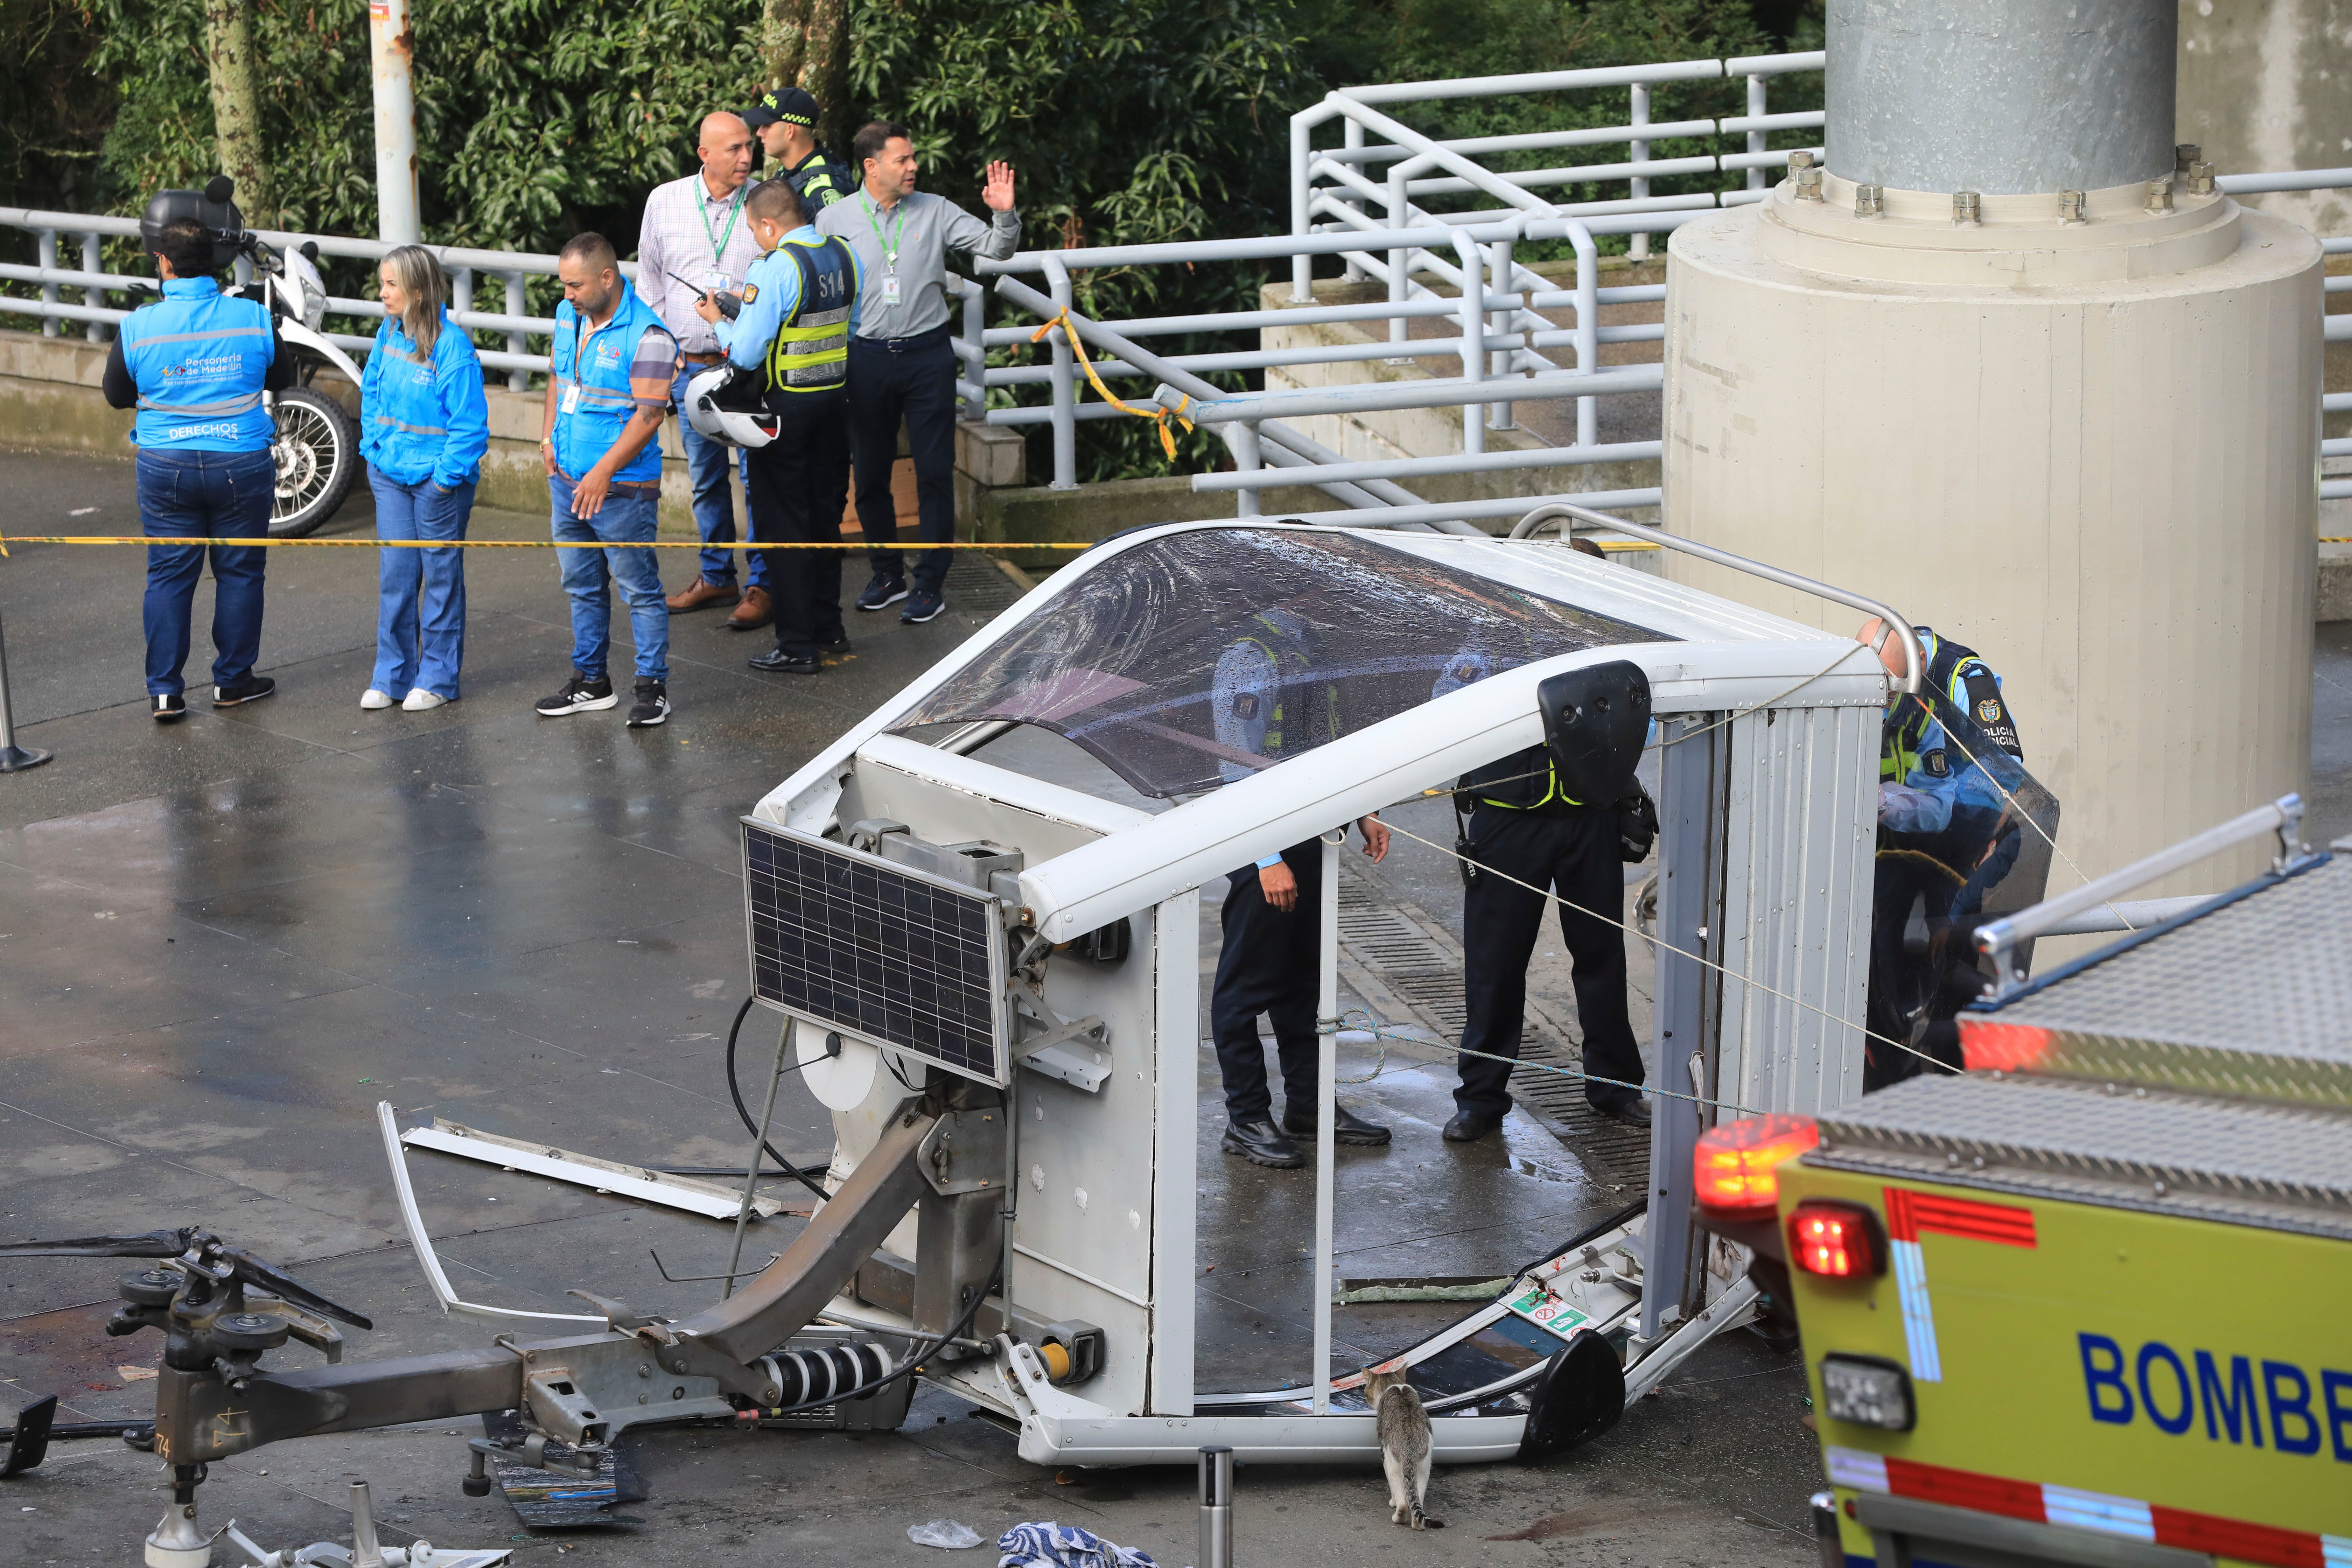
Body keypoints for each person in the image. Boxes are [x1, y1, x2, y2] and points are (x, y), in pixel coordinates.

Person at [1206, 608, 1394, 1168]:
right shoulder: (1247, 657)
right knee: (1242, 991)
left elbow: (1327, 744)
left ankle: (1309, 1107)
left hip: (1314, 839)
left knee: (1302, 985)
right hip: (1264, 849)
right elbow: (1235, 763)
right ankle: (1246, 1119)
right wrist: (1268, 857)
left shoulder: (1309, 644)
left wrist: (1363, 810)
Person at [817, 121, 1020, 626]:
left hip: (928, 355)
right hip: (864, 356)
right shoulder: (832, 220)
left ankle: (931, 582)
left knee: (933, 471)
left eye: (913, 159)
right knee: (869, 473)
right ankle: (886, 573)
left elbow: (996, 252)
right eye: (902, 160)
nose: (913, 167)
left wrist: (1005, 215)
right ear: (871, 166)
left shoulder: (936, 210)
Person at [102, 214, 294, 722]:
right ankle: (233, 682)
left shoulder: (139, 325)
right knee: (240, 573)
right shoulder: (252, 317)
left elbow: (117, 395)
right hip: (241, 463)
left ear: (163, 263)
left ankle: (165, 692)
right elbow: (285, 375)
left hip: (166, 465)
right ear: (213, 264)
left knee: (168, 576)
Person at [1448, 712, 1650, 1142]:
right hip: (1506, 818)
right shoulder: (1484, 649)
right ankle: (1479, 1098)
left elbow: (1638, 719)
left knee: (1603, 958)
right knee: (1494, 965)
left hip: (1592, 813)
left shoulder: (1592, 650)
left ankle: (1616, 1088)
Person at [699, 178, 859, 676]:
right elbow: (846, 327)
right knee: (825, 519)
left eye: (754, 230)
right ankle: (828, 626)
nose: (756, 240)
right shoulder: (843, 256)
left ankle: (796, 645)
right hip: (835, 401)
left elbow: (746, 352)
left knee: (784, 526)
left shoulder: (773, 268)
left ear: (769, 224)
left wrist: (721, 322)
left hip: (784, 412)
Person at [1858, 618, 2030, 1082]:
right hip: (1919, 840)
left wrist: (1907, 803)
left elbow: (2001, 783)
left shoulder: (1963, 680)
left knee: (1942, 942)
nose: (1886, 710)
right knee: (1889, 945)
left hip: (1979, 840)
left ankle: (1972, 1050)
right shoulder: (1878, 676)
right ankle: (1897, 1058)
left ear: (1912, 677)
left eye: (1891, 699)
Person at [535, 232, 681, 728]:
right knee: (581, 585)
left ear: (607, 278)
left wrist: (602, 472)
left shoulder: (650, 335)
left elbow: (649, 416)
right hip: (568, 480)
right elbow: (559, 377)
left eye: (575, 285)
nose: (567, 294)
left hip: (620, 491)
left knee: (639, 588)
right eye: (563, 284)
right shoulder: (567, 316)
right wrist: (548, 436)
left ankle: (652, 688)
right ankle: (591, 682)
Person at [638, 111, 771, 631]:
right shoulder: (665, 201)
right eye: (735, 149)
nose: (746, 157)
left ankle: (763, 582)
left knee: (759, 478)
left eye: (748, 147)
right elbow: (648, 279)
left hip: (748, 367)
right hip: (689, 367)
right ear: (705, 155)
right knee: (706, 479)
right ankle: (717, 575)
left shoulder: (765, 201)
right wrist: (662, 350)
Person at [358, 245, 488, 713]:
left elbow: (469, 427)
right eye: (383, 283)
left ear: (417, 290)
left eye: (391, 284)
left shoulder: (452, 347)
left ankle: (436, 678)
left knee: (440, 580)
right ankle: (392, 676)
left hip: (438, 484)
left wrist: (443, 482)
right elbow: (370, 389)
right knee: (397, 577)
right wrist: (373, 451)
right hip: (391, 475)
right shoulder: (389, 332)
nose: (382, 293)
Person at [743, 87, 853, 218]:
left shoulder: (821, 191)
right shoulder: (793, 170)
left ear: (790, 131)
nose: (760, 133)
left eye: (767, 125)